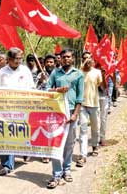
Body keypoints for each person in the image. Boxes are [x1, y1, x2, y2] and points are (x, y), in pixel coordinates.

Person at [46, 48, 84, 189]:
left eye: (68, 57)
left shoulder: (78, 74)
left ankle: (66, 170)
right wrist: (57, 90)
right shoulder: (56, 73)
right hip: (57, 112)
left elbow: (80, 97)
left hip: (72, 112)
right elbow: (46, 89)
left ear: (73, 58)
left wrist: (75, 115)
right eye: (63, 57)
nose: (66, 59)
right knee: (55, 143)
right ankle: (56, 173)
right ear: (60, 59)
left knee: (69, 143)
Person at [0, 47, 35, 176]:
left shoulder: (25, 70)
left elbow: (32, 88)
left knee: (20, 134)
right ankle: (7, 165)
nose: (18, 61)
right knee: (6, 135)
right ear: (9, 59)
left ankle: (24, 151)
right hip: (6, 109)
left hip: (22, 109)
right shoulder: (2, 72)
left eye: (20, 59)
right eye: (15, 59)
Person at [76, 52, 104, 168]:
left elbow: (99, 85)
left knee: (95, 127)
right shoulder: (79, 72)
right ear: (82, 60)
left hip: (94, 104)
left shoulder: (97, 72)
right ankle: (83, 155)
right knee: (83, 130)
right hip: (82, 105)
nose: (87, 60)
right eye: (84, 58)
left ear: (92, 60)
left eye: (89, 58)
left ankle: (95, 145)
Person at [36, 54, 56, 163]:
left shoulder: (58, 74)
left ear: (55, 63)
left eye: (51, 62)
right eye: (47, 62)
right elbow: (34, 89)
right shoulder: (40, 75)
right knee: (43, 130)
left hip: (55, 106)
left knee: (53, 130)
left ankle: (54, 151)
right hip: (43, 106)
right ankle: (45, 153)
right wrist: (40, 81)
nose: (49, 64)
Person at [95, 64, 108, 147]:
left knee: (103, 118)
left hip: (103, 97)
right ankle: (96, 137)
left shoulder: (106, 70)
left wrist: (103, 75)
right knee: (96, 118)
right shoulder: (91, 71)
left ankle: (102, 138)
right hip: (94, 98)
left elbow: (104, 87)